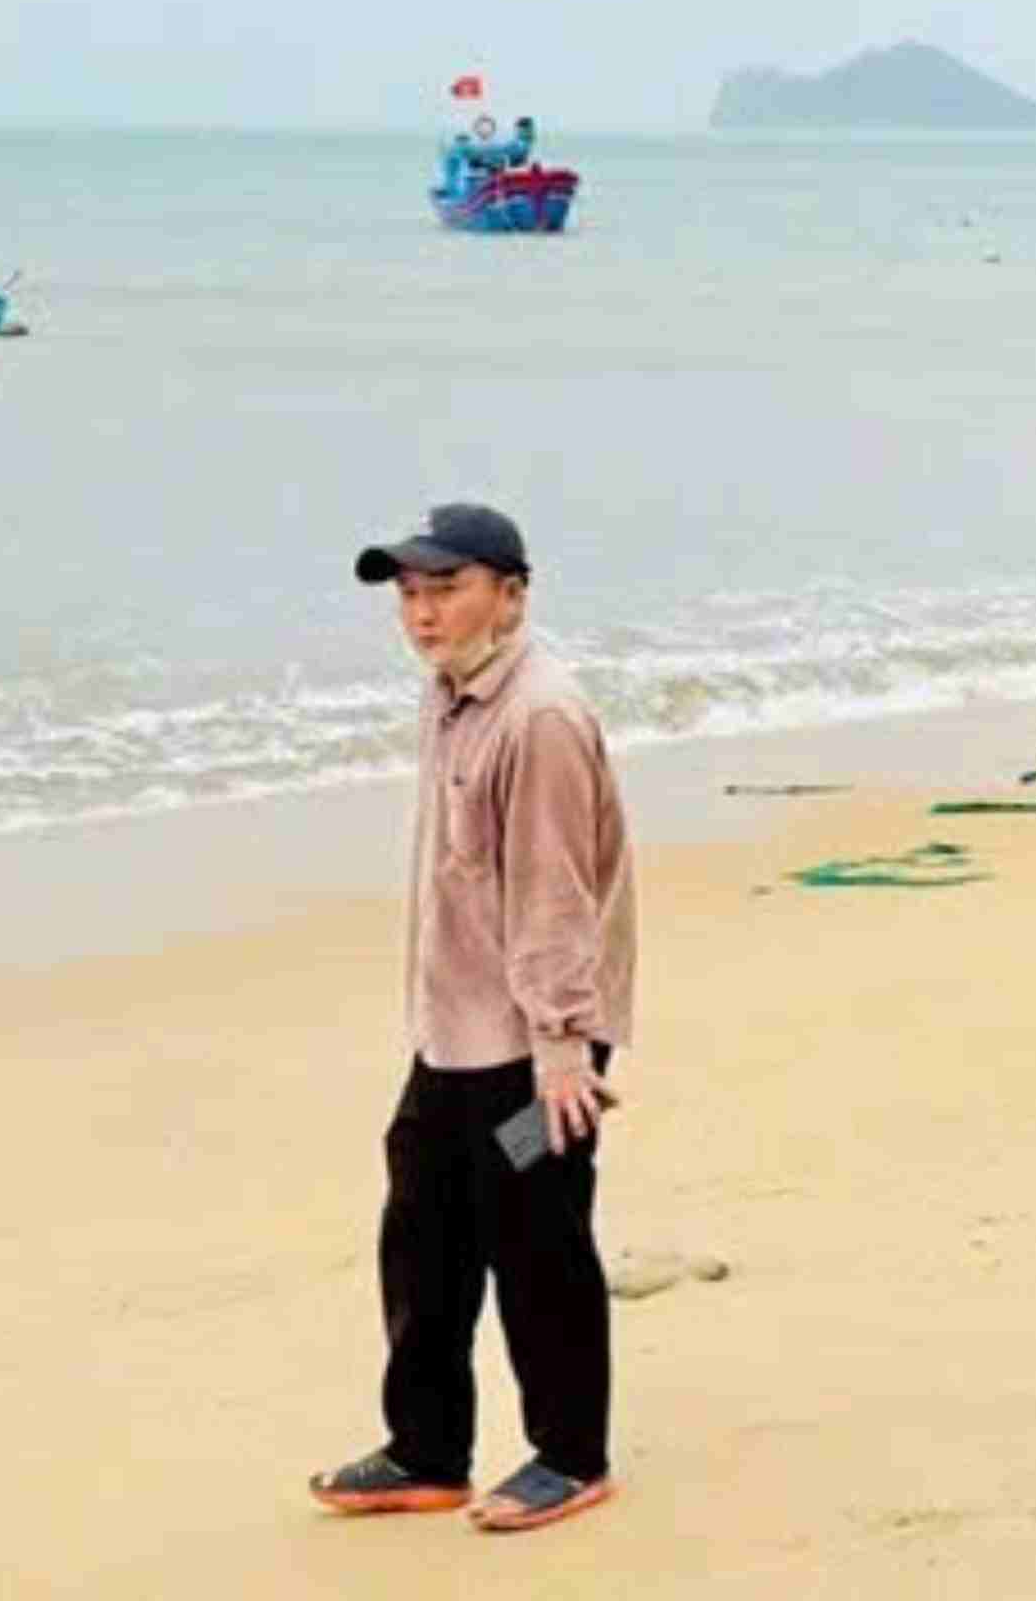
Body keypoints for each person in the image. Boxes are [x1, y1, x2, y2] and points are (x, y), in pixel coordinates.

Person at [310, 502, 639, 1534]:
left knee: (539, 1240)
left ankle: (570, 1456)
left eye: (446, 588)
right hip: (454, 1029)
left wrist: (561, 1048)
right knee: (422, 1231)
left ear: (512, 591)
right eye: (409, 593)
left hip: (538, 1046)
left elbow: (554, 895)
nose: (422, 612)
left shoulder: (538, 716)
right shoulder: (453, 690)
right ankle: (427, 1448)